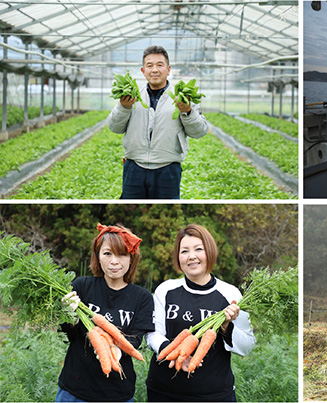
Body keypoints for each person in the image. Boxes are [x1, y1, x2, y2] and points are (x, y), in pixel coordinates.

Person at [146, 224, 255, 402]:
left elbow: (247, 346)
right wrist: (176, 353)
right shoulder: (165, 290)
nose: (191, 256)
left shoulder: (231, 294)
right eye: (184, 251)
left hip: (214, 395)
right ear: (178, 257)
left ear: (210, 252)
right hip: (164, 392)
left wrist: (226, 326)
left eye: (198, 249)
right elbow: (152, 335)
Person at [57, 224, 154, 402]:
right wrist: (68, 315)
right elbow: (66, 334)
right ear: (98, 257)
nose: (114, 261)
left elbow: (135, 339)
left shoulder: (143, 298)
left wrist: (117, 350)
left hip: (118, 393)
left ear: (131, 258)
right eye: (107, 253)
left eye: (122, 254)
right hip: (74, 390)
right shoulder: (81, 286)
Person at [108, 45, 209, 199]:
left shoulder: (182, 97)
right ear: (143, 71)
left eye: (159, 65)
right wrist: (124, 107)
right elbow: (114, 127)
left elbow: (199, 131)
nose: (154, 70)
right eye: (150, 65)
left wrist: (187, 111)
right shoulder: (131, 95)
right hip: (134, 167)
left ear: (168, 69)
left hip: (167, 169)